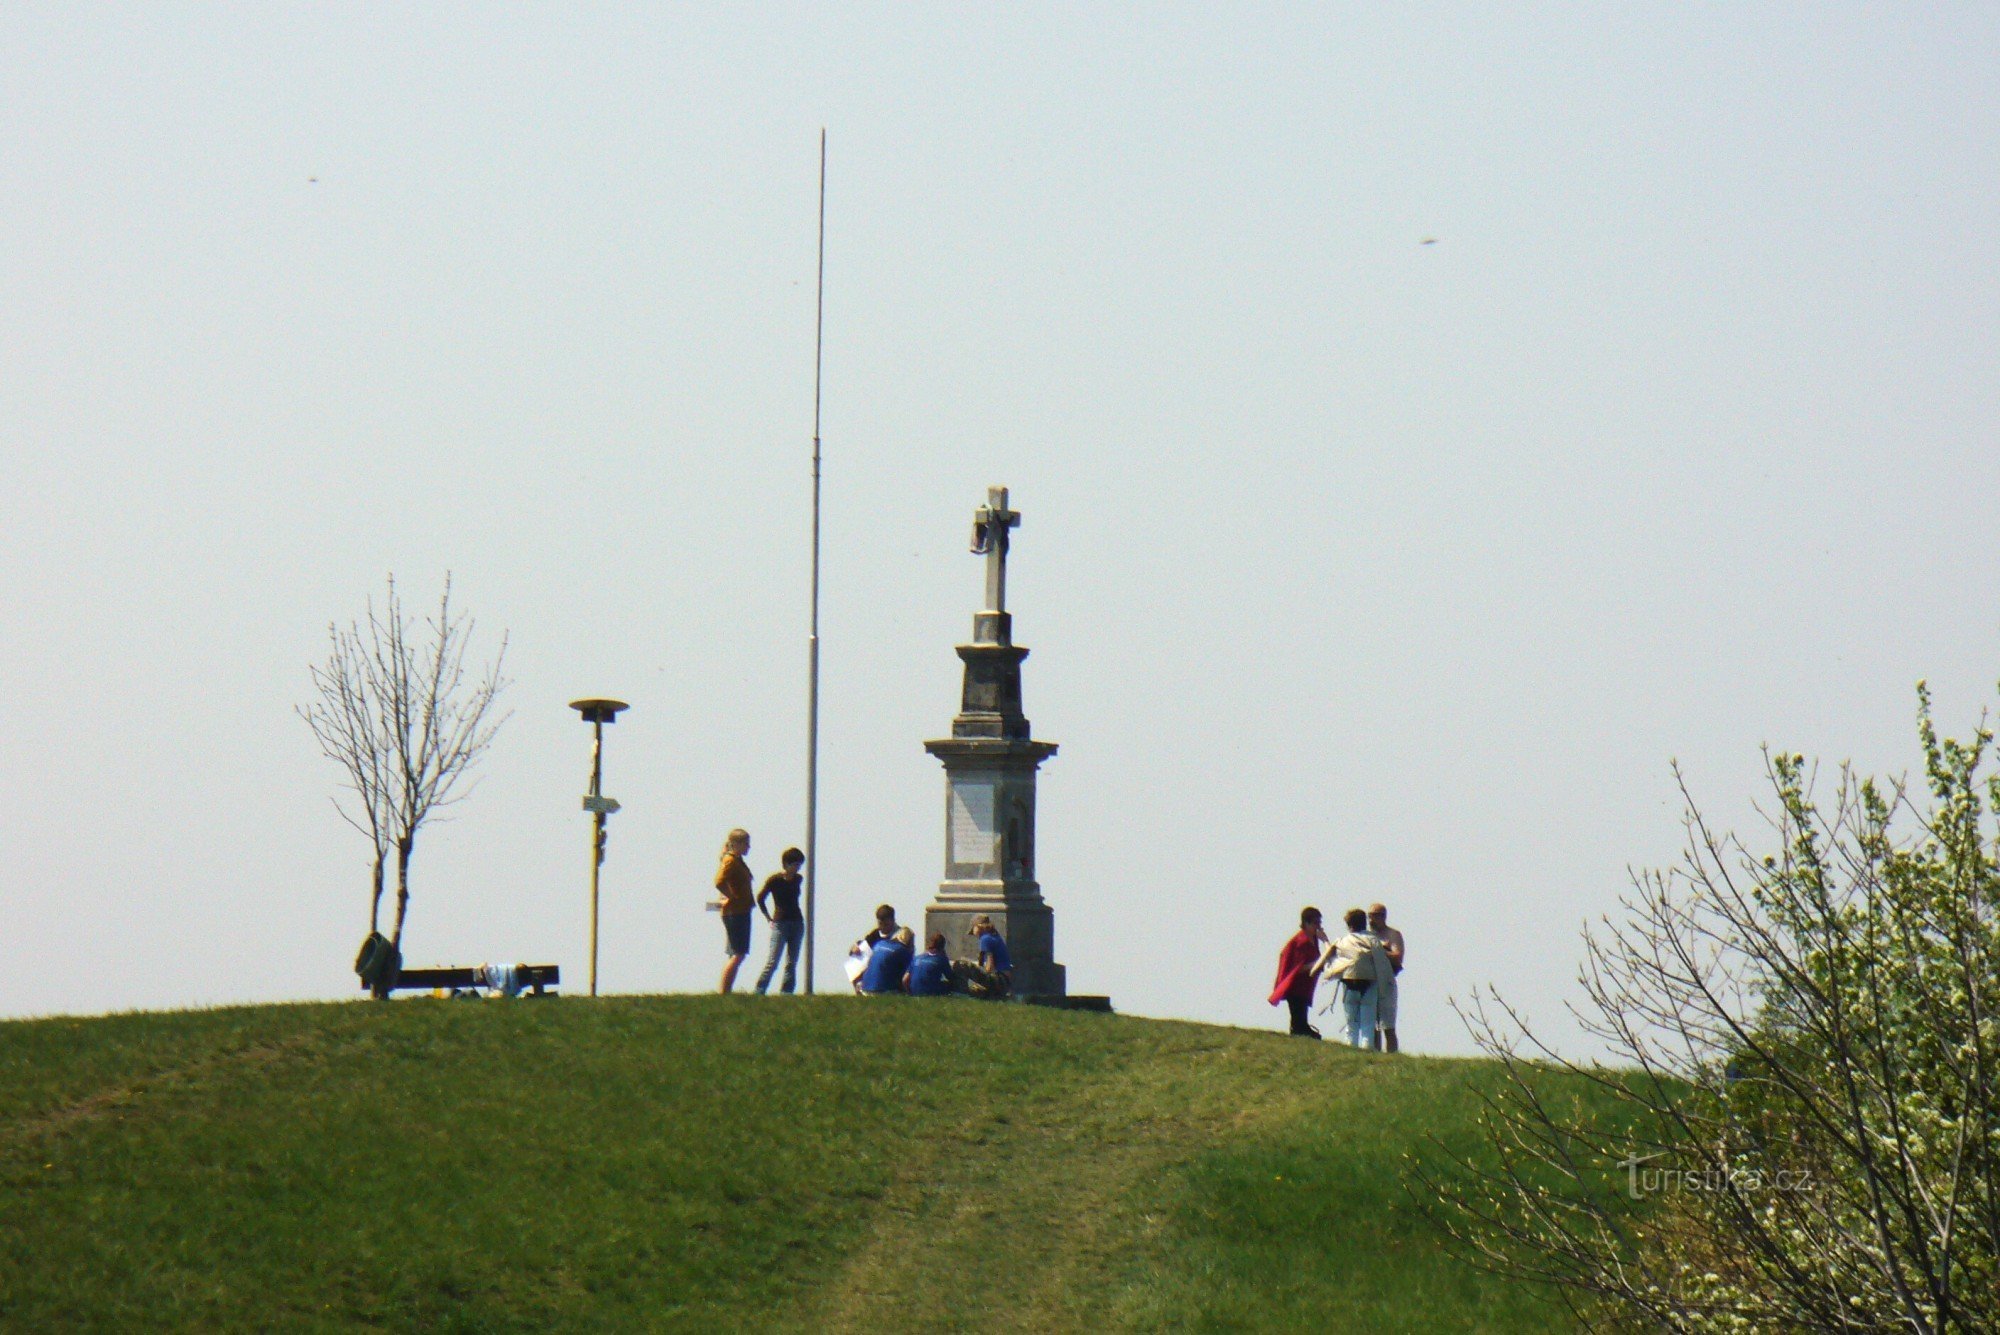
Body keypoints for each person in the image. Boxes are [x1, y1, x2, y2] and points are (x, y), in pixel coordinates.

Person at [1318, 908, 1394, 1049]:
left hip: (1349, 984)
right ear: (1364, 922)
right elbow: (1381, 964)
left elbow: (1332, 958)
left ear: (1348, 925)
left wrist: (1325, 940)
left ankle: (1350, 1049)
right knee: (1368, 1024)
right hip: (1369, 985)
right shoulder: (1373, 940)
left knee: (1351, 1024)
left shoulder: (1343, 941)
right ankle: (1367, 1050)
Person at [752, 847, 807, 994]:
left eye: (799, 865)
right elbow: (760, 898)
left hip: (797, 922)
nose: (796, 868)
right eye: (794, 864)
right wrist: (768, 917)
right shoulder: (774, 880)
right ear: (786, 864)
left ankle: (787, 991)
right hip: (780, 923)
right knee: (773, 960)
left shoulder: (798, 879)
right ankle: (760, 989)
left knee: (791, 962)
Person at [1268, 906, 1328, 1038]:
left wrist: (1324, 942)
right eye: (1315, 923)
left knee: (1302, 1023)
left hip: (1305, 987)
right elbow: (1297, 968)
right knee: (1298, 1025)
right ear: (1306, 923)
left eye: (1319, 922)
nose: (1318, 926)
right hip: (1295, 988)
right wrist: (1316, 964)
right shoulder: (1301, 941)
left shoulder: (1313, 940)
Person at [714, 828, 754, 994]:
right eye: (745, 844)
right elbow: (719, 881)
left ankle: (726, 990)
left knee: (737, 954)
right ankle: (724, 991)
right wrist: (731, 896)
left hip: (741, 910)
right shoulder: (731, 861)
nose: (748, 847)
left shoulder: (736, 860)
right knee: (738, 954)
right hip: (736, 912)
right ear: (736, 844)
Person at [1367, 902, 1406, 1053]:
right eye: (1369, 916)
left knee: (1388, 1026)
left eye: (1375, 916)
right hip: (1370, 982)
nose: (1371, 920)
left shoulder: (1393, 935)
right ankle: (1376, 1056)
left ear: (1383, 917)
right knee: (1372, 1026)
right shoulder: (1367, 936)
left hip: (1387, 983)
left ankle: (1392, 1056)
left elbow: (1398, 957)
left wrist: (1379, 951)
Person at [953, 914, 1013, 999]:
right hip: (1005, 981)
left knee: (961, 964)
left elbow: (990, 966)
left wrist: (980, 977)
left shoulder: (985, 939)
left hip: (999, 979)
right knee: (975, 991)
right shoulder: (994, 936)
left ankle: (960, 993)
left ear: (978, 927)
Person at [859, 924, 914, 995]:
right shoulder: (903, 951)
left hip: (865, 988)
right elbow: (906, 977)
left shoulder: (879, 943)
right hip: (882, 991)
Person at [906, 932, 955, 996]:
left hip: (914, 991)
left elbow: (905, 979)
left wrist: (908, 992)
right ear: (942, 946)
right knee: (948, 984)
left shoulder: (917, 957)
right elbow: (950, 977)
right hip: (931, 992)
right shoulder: (941, 959)